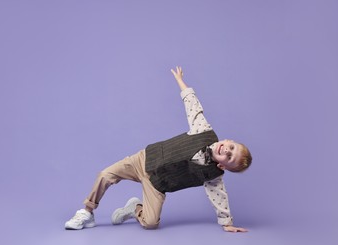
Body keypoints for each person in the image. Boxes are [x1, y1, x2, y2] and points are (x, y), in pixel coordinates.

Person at [65, 66, 252, 233]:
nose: (226, 150)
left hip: (157, 185)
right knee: (105, 175)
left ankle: (135, 208)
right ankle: (87, 212)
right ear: (228, 140)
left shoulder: (214, 175)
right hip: (144, 160)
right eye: (231, 147)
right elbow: (193, 107)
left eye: (229, 156)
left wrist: (226, 222)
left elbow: (220, 199)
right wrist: (181, 81)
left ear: (225, 166)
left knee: (151, 223)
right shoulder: (205, 131)